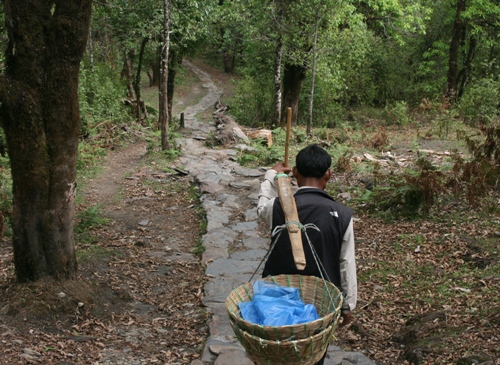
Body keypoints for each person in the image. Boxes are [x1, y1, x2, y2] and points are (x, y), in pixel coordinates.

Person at [257, 144, 357, 365]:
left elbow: (262, 205)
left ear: (295, 173)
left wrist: (272, 176)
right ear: (328, 174)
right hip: (320, 304)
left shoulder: (276, 208)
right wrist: (348, 305)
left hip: (276, 302)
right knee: (311, 355)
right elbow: (345, 264)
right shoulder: (342, 215)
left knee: (275, 354)